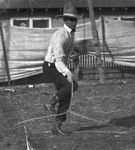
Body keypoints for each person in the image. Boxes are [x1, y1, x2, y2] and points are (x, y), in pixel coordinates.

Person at [43, 2, 82, 135]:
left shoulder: (70, 34)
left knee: (67, 95)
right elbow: (59, 60)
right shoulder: (59, 35)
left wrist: (75, 50)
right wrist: (68, 72)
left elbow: (67, 51)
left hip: (59, 65)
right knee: (71, 86)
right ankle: (51, 102)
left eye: (75, 19)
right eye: (70, 19)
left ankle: (57, 127)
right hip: (51, 66)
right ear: (65, 19)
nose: (73, 22)